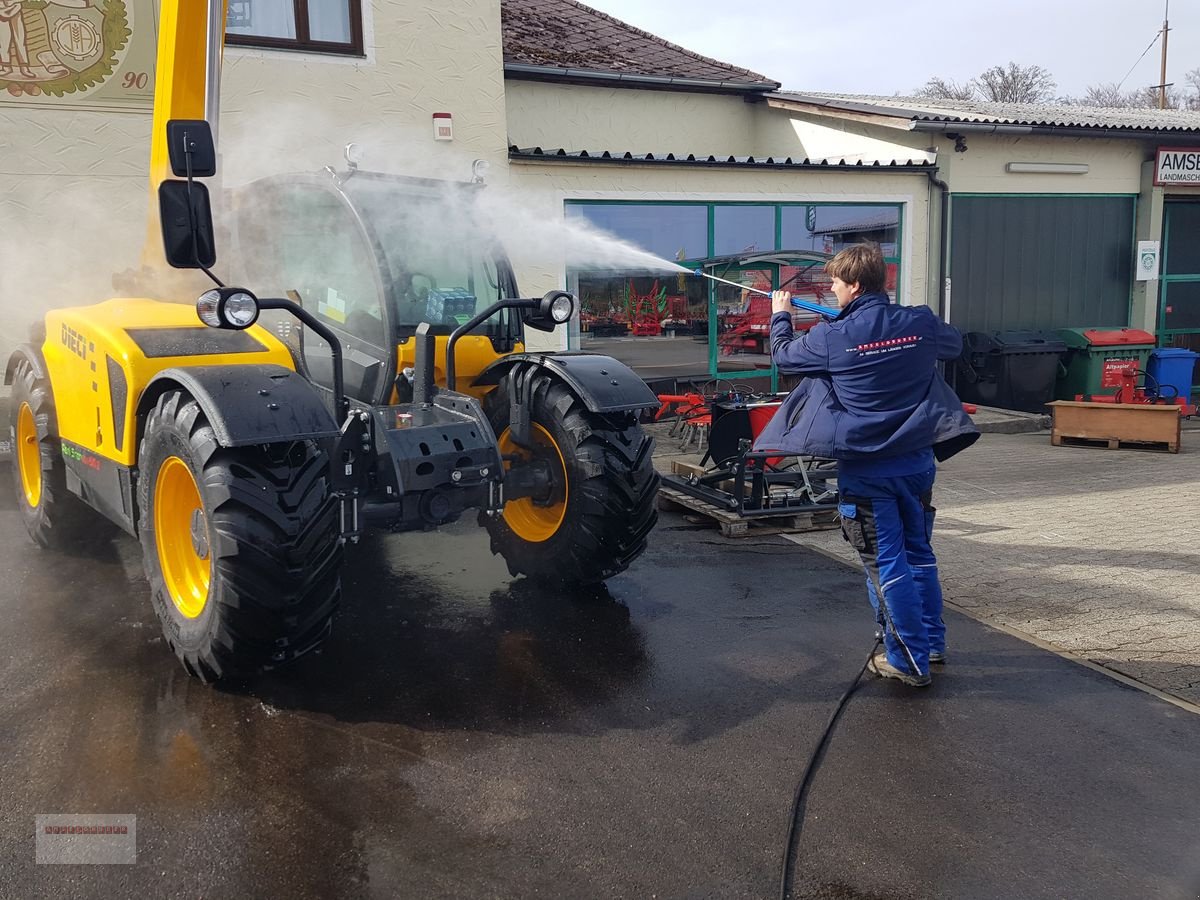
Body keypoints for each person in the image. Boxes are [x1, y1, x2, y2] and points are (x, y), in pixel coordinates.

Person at [754, 244, 978, 687]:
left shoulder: (832, 338)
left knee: (886, 562)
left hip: (868, 471)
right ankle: (931, 645)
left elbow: (783, 357)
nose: (832, 290)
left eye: (836, 283)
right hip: (917, 465)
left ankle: (907, 661)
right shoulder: (918, 322)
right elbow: (953, 343)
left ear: (853, 285)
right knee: (920, 555)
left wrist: (780, 313)